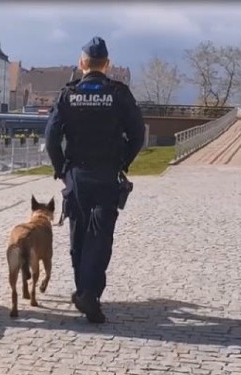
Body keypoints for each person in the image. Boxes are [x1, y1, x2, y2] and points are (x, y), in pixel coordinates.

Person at [44, 36, 145, 323]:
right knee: (100, 238)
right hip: (107, 174)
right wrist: (123, 161)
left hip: (77, 175)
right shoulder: (119, 94)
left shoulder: (68, 94)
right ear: (107, 64)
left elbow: (51, 137)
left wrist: (61, 169)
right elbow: (138, 135)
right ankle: (91, 294)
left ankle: (83, 290)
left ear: (82, 64)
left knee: (78, 236)